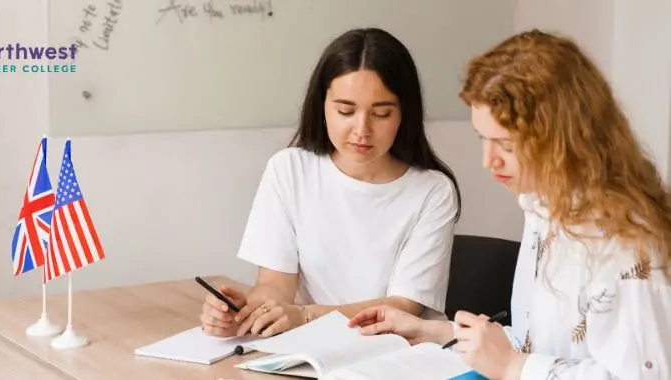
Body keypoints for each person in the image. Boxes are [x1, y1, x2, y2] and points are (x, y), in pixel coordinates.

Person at [349, 29, 671, 379]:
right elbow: (537, 347)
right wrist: (430, 331)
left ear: (562, 138)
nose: (489, 161)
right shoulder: (543, 208)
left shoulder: (627, 243)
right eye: (483, 139)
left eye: (505, 144)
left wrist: (511, 367)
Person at [199, 27, 462, 339]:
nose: (361, 129)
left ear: (404, 114)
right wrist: (243, 312)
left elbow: (403, 307)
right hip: (308, 349)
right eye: (345, 111)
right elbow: (275, 285)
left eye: (381, 113)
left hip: (396, 352)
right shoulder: (289, 170)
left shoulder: (432, 191)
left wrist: (306, 316)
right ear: (322, 106)